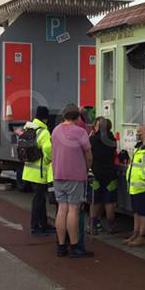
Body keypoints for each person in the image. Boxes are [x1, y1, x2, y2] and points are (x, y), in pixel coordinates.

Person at [51, 104, 94, 258]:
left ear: (64, 116)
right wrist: (87, 167)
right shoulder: (80, 132)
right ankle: (75, 247)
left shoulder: (55, 131)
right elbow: (88, 154)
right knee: (73, 210)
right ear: (77, 117)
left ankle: (61, 246)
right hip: (75, 175)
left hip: (58, 174)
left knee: (62, 209)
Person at [22, 105, 55, 236]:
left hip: (29, 170)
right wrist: (48, 159)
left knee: (39, 199)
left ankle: (43, 224)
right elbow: (48, 149)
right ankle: (35, 227)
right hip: (40, 172)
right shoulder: (44, 132)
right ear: (45, 118)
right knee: (39, 200)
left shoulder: (29, 128)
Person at [89, 117, 119, 234]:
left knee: (95, 201)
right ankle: (111, 225)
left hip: (96, 173)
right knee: (109, 201)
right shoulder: (113, 140)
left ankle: (93, 225)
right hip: (110, 173)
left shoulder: (92, 139)